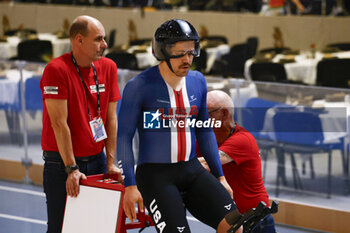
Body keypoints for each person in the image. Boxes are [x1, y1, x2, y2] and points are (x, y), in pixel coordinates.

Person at [117, 19, 242, 233]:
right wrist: (130, 185)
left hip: (191, 169)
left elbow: (204, 131)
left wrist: (220, 176)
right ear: (162, 52)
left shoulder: (197, 81)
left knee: (235, 225)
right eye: (179, 53)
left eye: (191, 52)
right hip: (155, 176)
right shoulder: (138, 87)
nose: (187, 59)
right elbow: (123, 138)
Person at [40, 15, 122, 233]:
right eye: (98, 39)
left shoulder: (109, 67)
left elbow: (111, 119)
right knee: (61, 228)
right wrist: (72, 168)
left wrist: (111, 162)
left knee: (97, 227)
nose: (104, 44)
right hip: (61, 165)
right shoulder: (56, 70)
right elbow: (59, 123)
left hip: (97, 161)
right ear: (79, 40)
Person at [198, 90, 276, 233]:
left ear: (224, 114)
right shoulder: (204, 137)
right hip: (231, 220)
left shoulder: (243, 139)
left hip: (255, 220)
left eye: (206, 113)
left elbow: (205, 163)